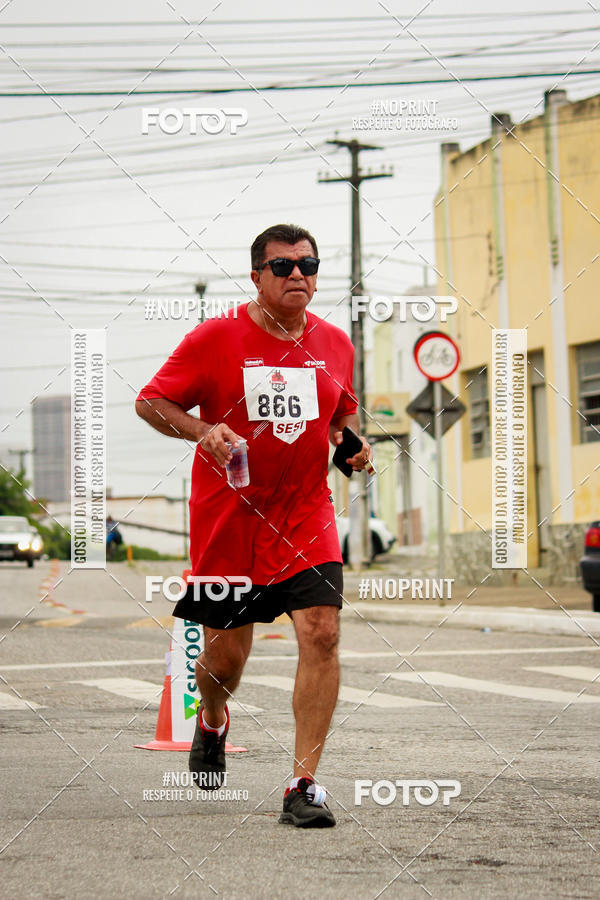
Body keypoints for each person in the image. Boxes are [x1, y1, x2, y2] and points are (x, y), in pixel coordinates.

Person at [135, 223, 373, 828]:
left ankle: (303, 784)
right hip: (231, 518)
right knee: (225, 661)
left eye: (309, 264)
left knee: (322, 632)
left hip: (305, 513)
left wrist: (352, 450)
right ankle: (213, 721)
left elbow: (336, 423)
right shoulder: (217, 337)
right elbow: (150, 401)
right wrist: (201, 431)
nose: (298, 274)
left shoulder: (336, 344)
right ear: (256, 276)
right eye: (283, 266)